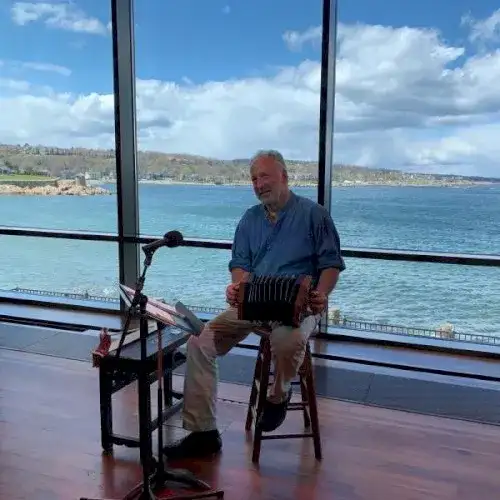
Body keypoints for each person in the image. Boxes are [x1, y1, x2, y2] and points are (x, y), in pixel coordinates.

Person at [163, 149, 345, 460]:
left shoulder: (315, 215)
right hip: (255, 304)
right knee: (199, 341)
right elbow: (240, 264)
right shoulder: (249, 219)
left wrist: (323, 294)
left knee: (286, 340)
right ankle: (203, 432)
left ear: (284, 176)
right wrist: (238, 287)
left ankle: (279, 395)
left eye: (265, 176)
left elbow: (331, 264)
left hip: (300, 307)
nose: (259, 184)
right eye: (254, 179)